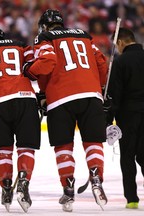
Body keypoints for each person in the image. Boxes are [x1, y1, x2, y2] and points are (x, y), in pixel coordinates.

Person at [23, 9, 109, 212]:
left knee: (63, 146)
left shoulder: (44, 38)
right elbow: (101, 63)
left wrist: (29, 70)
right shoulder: (84, 35)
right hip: (91, 95)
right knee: (93, 142)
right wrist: (101, 88)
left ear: (44, 26)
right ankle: (96, 178)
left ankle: (68, 188)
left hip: (60, 99)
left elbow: (47, 63)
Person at [0, 27, 41, 213]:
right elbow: (34, 66)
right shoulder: (20, 45)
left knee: (2, 152)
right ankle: (23, 181)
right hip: (25, 98)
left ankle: (6, 188)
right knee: (26, 147)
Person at [106, 27, 144, 209]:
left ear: (121, 42)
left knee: (128, 157)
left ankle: (132, 199)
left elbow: (115, 95)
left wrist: (107, 121)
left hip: (128, 116)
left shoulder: (120, 62)